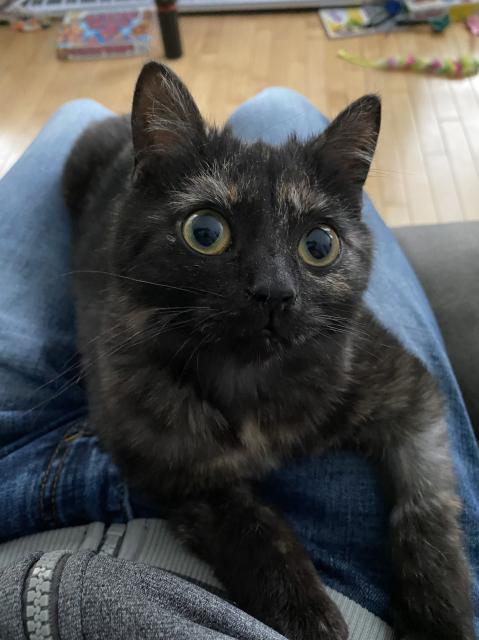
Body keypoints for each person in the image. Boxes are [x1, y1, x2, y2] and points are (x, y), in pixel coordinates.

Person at [0, 87, 477, 640]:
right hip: (339, 574)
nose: (274, 286)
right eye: (208, 233)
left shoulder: (340, 357)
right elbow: (414, 398)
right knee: (249, 111)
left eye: (317, 246)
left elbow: (412, 402)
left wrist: (422, 528)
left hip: (16, 450)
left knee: (76, 117)